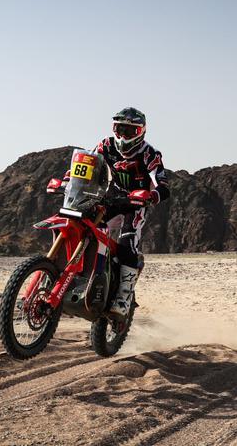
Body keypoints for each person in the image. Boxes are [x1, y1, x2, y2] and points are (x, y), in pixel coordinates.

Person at [59, 107, 170, 317]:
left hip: (135, 203)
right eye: (119, 129)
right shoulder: (106, 145)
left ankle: (124, 297)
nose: (123, 135)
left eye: (129, 131)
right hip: (111, 197)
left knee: (127, 243)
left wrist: (151, 196)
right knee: (85, 227)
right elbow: (86, 163)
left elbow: (163, 185)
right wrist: (67, 180)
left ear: (141, 132)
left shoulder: (149, 154)